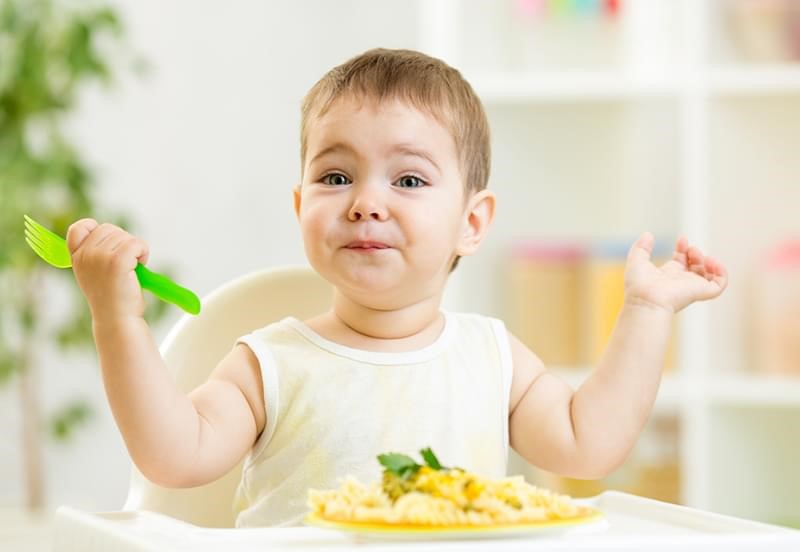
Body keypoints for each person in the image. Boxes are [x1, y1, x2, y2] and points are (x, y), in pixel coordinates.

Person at [66, 48, 728, 527]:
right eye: (335, 176)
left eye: (408, 180)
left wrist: (645, 311)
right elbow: (172, 457)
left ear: (471, 223)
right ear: (300, 207)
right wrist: (116, 318)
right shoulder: (268, 364)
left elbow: (591, 444)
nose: (364, 203)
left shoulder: (491, 357)